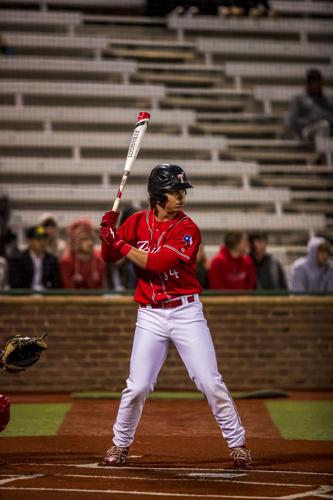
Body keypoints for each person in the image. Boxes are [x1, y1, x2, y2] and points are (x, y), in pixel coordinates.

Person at [99, 163, 252, 469]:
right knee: (138, 385)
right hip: (150, 315)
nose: (181, 196)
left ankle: (237, 444)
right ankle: (119, 445)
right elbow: (110, 257)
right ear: (157, 196)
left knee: (209, 380)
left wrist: (116, 240)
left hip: (186, 312)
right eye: (174, 191)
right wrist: (109, 231)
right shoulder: (136, 222)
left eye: (183, 190)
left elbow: (156, 263)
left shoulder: (188, 229)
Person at [286, 68, 333, 143]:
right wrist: (313, 120)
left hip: (327, 130)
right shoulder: (299, 99)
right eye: (316, 83)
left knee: (325, 125)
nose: (319, 86)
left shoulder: (328, 100)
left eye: (320, 83)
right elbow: (293, 121)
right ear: (309, 84)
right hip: (307, 131)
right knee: (324, 125)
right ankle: (322, 152)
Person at [8, 225, 61, 290]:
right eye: (38, 239)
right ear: (29, 241)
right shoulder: (18, 259)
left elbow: (56, 285)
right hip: (25, 297)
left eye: (45, 239)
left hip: (46, 297)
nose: (42, 242)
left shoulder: (52, 260)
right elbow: (15, 285)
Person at [60, 219, 105, 289]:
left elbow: (100, 287)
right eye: (85, 239)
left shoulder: (99, 260)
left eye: (91, 239)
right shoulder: (66, 261)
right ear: (76, 241)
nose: (90, 243)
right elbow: (68, 289)